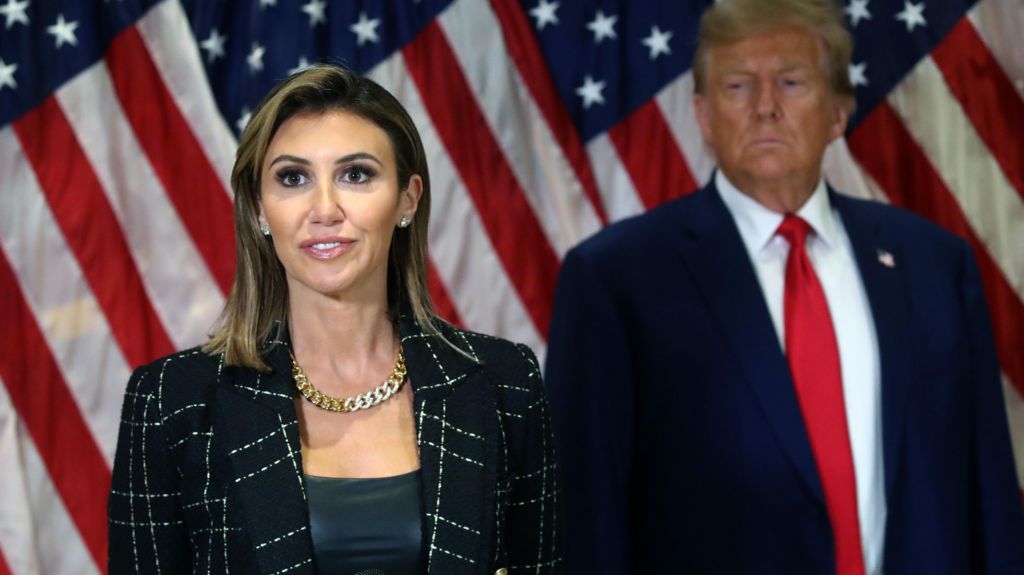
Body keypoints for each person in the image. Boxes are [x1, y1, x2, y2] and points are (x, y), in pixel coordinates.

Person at [545, 0, 1024, 573]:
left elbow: (990, 499)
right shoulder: (615, 280)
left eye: (791, 82)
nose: (765, 107)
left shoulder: (935, 265)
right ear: (703, 116)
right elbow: (582, 522)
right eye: (738, 85)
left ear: (838, 113)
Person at [108, 64, 560, 575]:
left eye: (356, 175)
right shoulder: (171, 401)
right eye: (293, 178)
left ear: (407, 199)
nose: (324, 209)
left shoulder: (506, 383)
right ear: (259, 209)